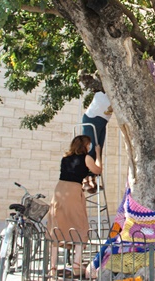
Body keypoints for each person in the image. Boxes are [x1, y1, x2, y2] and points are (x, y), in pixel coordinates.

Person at [46, 135, 102, 278]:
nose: (89, 147)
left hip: (59, 190)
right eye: (88, 145)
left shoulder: (65, 158)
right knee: (79, 225)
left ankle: (52, 267)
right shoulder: (86, 158)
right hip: (73, 191)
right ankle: (76, 265)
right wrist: (98, 154)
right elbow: (97, 170)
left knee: (56, 226)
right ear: (84, 145)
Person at [81, 91, 112, 193]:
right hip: (93, 118)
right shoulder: (103, 90)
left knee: (98, 148)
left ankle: (92, 180)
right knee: (91, 148)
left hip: (102, 120)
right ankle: (85, 180)